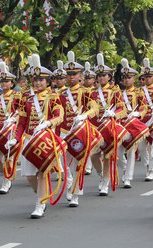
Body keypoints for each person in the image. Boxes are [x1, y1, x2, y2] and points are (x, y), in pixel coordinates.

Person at [5, 54, 64, 218]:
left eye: (41, 80)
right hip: (29, 139)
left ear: (47, 81)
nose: (38, 82)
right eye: (35, 79)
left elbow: (60, 115)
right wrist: (14, 138)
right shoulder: (26, 97)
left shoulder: (53, 96)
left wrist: (48, 123)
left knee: (41, 173)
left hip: (45, 138)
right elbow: (22, 121)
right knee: (29, 175)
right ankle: (42, 195)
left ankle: (40, 204)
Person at [58, 51, 99, 207]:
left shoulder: (86, 92)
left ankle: (75, 194)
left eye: (74, 74)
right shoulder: (61, 93)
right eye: (69, 74)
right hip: (64, 131)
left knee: (78, 163)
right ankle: (69, 185)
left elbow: (95, 108)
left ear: (80, 75)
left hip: (79, 131)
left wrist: (85, 115)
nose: (71, 77)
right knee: (63, 164)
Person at [89, 53, 127, 196]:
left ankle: (105, 182)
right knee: (93, 155)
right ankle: (101, 175)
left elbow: (122, 108)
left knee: (107, 156)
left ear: (109, 77)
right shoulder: (93, 93)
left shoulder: (115, 91)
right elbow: (91, 108)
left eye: (104, 75)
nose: (101, 78)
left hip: (109, 127)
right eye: (99, 75)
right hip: (95, 127)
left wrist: (114, 114)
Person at [0, 61, 21, 194]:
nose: (3, 84)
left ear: (11, 83)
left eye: (6, 82)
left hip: (10, 130)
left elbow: (22, 112)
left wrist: (14, 118)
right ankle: (6, 174)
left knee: (9, 156)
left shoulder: (17, 96)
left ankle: (6, 182)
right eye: (2, 81)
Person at [118, 58, 149, 188]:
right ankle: (124, 168)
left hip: (133, 124)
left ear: (134, 78)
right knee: (119, 152)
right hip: (121, 124)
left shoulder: (139, 92)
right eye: (124, 77)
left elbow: (144, 107)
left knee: (131, 151)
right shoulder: (118, 93)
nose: (126, 80)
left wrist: (138, 114)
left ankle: (128, 178)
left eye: (129, 77)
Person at [138, 58, 153, 181]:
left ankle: (152, 169)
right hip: (142, 122)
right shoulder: (139, 91)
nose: (147, 79)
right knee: (141, 148)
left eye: (149, 76)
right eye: (145, 77)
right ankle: (147, 167)